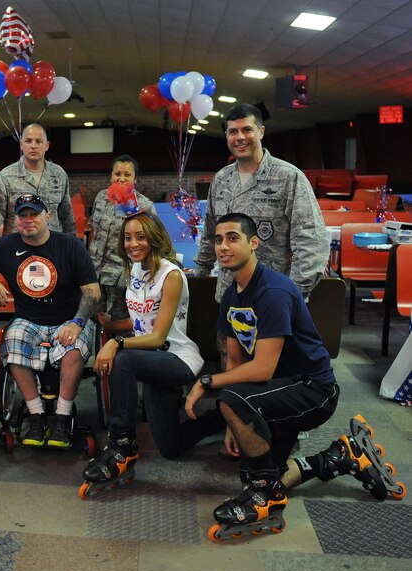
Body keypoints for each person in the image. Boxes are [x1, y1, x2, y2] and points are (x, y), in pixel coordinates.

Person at [183, 213, 394, 540]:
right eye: (218, 239)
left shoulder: (273, 290)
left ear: (254, 243)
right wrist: (233, 422)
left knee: (235, 414)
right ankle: (338, 457)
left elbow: (261, 368)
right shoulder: (231, 296)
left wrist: (207, 383)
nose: (223, 246)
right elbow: (236, 363)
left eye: (232, 238)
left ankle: (264, 496)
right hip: (279, 389)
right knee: (265, 470)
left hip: (314, 389)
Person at [82, 211, 224, 491]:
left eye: (140, 237)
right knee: (171, 447)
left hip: (177, 358)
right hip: (151, 360)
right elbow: (142, 323)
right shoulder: (135, 270)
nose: (132, 244)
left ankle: (122, 445)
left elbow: (158, 337)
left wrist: (116, 341)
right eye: (128, 238)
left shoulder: (170, 276)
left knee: (122, 360)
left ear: (154, 238)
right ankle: (220, 417)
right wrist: (113, 325)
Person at [0, 193, 100, 448]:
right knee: (12, 340)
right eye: (22, 215)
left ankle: (62, 416)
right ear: (16, 221)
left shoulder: (70, 245)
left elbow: (93, 292)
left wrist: (77, 322)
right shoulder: (7, 245)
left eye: (34, 214)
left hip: (68, 318)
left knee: (73, 349)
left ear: (47, 216)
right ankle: (36, 413)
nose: (29, 220)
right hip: (28, 319)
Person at [193, 103, 328, 303]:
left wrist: (294, 294)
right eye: (233, 131)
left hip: (273, 297)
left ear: (261, 132)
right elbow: (209, 235)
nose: (239, 137)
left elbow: (312, 242)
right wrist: (200, 275)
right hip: (229, 295)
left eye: (247, 130)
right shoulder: (221, 179)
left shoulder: (288, 177)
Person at [0, 123, 76, 249]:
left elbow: (66, 217)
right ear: (21, 144)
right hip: (17, 250)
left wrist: (72, 249)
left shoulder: (59, 174)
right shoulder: (5, 177)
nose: (33, 146)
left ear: (47, 145)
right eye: (28, 141)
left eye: (39, 141)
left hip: (54, 249)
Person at [89, 155, 156, 324]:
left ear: (135, 178)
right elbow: (94, 234)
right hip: (95, 275)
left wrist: (133, 274)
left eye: (127, 174)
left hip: (122, 279)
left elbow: (153, 245)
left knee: (120, 326)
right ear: (111, 176)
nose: (122, 178)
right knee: (93, 324)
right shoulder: (101, 198)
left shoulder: (144, 205)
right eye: (117, 174)